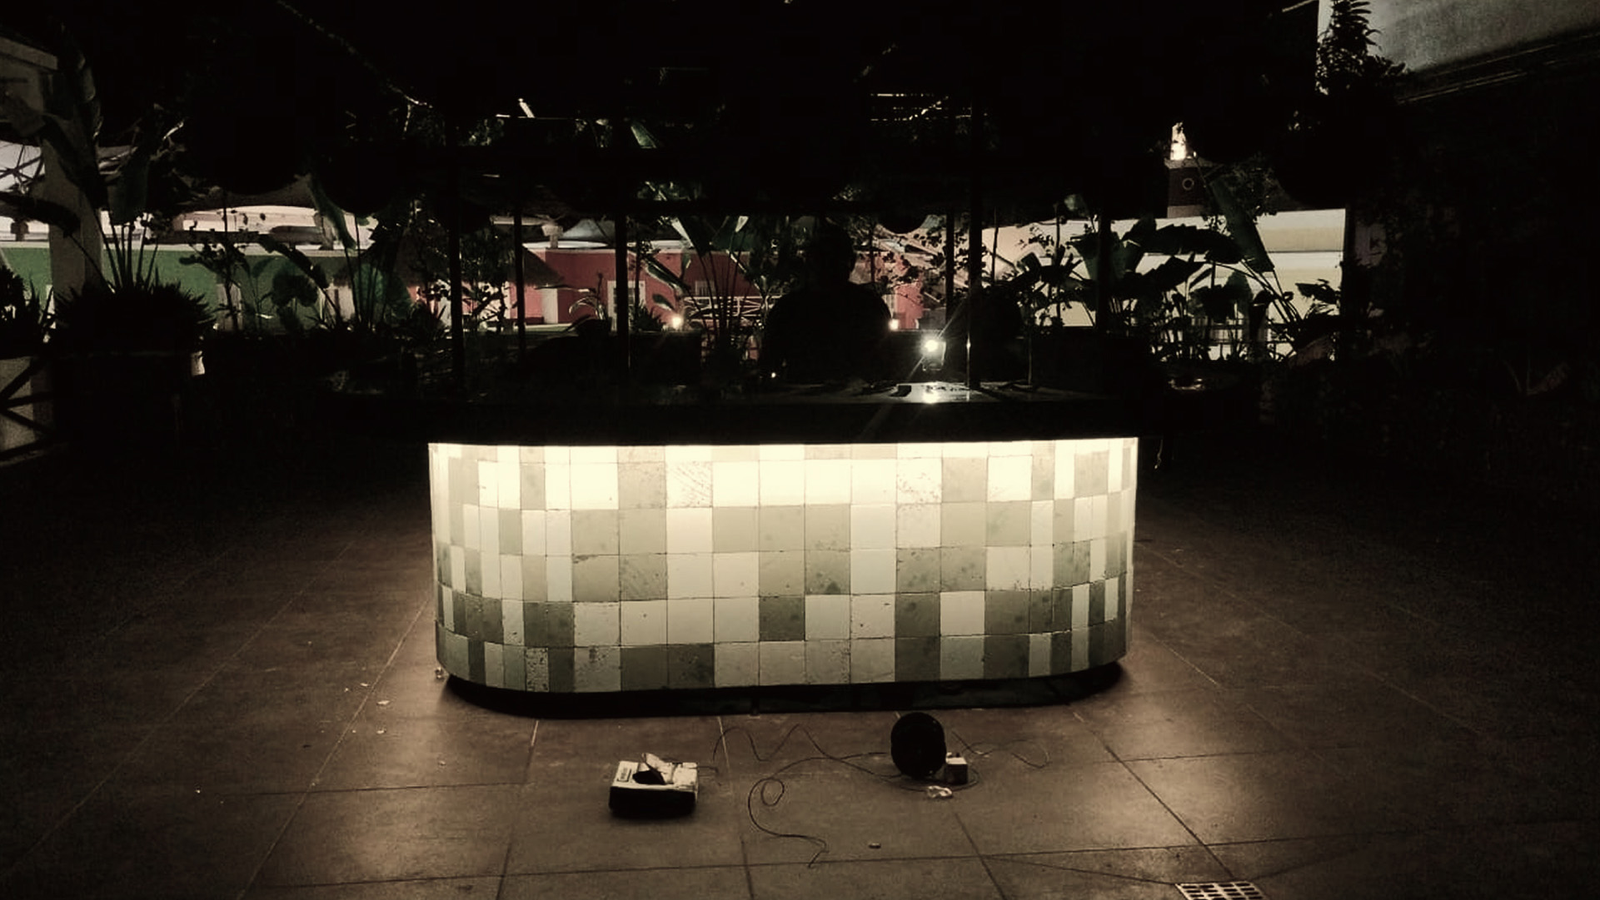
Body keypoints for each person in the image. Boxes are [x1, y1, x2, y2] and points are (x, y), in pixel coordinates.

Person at [760, 223, 890, 383]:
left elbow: (768, 364)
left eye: (834, 259)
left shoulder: (787, 308)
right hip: (825, 393)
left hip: (818, 393)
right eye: (823, 258)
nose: (828, 266)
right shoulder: (870, 305)